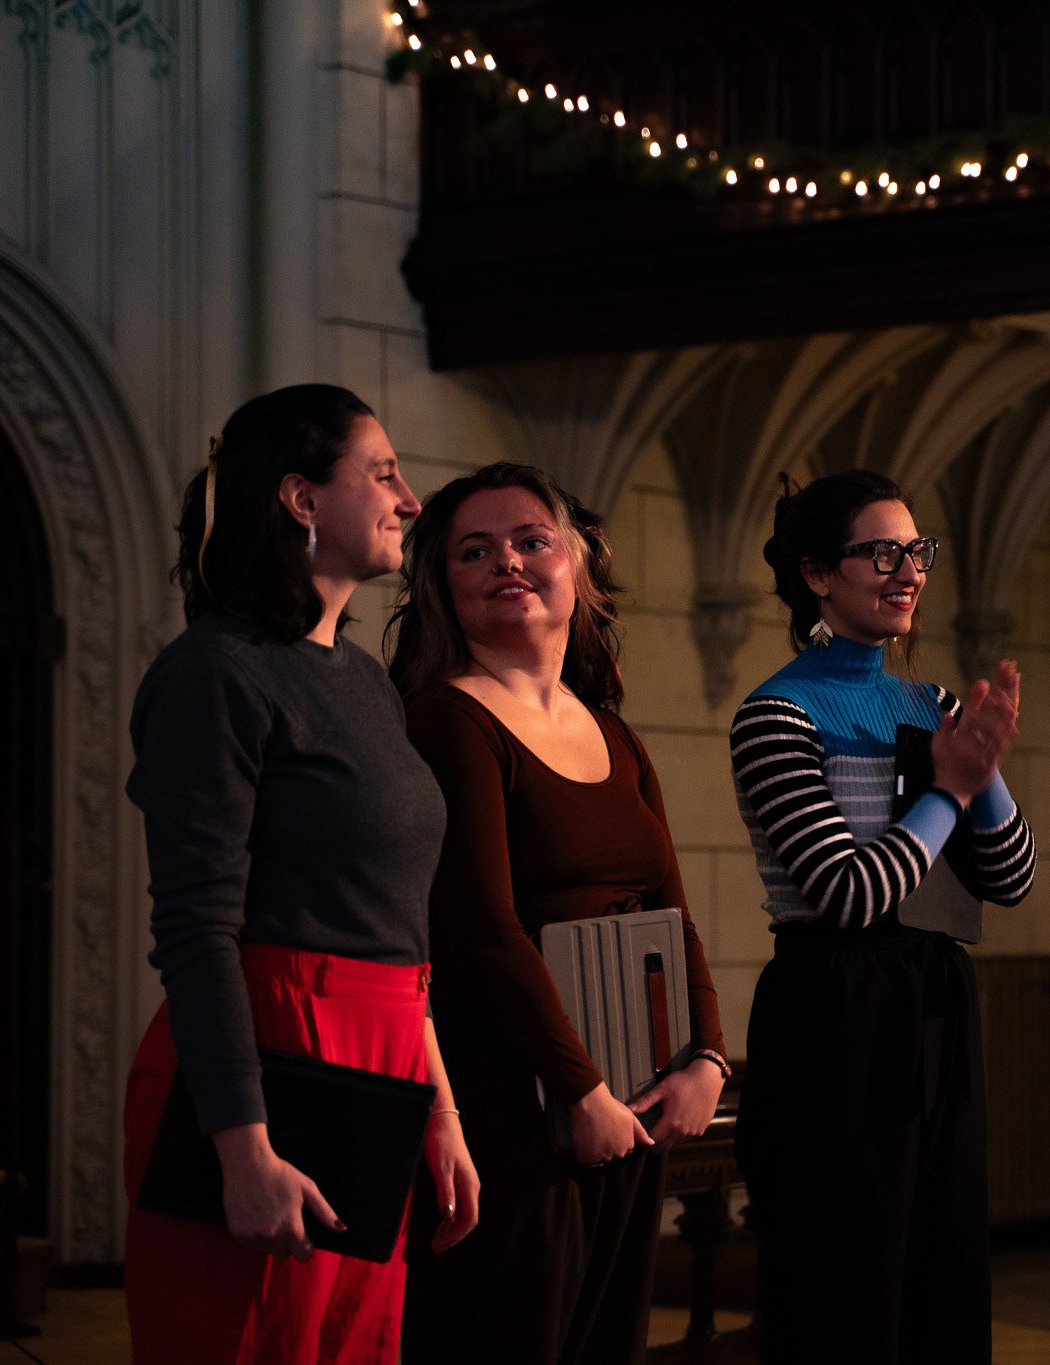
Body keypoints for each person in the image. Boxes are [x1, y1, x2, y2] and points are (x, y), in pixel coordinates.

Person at [121, 384, 479, 1365]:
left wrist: (436, 1110)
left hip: (383, 1057)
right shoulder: (213, 672)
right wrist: (241, 1147)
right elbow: (196, 933)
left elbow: (401, 932)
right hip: (270, 1057)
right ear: (300, 499)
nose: (410, 500)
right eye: (383, 474)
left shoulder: (364, 681)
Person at [389, 462, 727, 1365]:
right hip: (516, 1087)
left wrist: (706, 1055)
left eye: (532, 539)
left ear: (574, 569)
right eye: (475, 549)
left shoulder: (611, 730)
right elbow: (482, 927)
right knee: (515, 1335)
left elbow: (672, 909)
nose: (508, 559)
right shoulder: (449, 720)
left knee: (605, 1340)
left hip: (636, 1087)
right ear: (443, 586)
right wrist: (579, 1087)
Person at [729, 469, 1036, 1365]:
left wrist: (984, 773)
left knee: (940, 1276)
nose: (909, 571)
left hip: (935, 999)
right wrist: (949, 787)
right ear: (820, 573)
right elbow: (851, 893)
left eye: (918, 551)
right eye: (883, 552)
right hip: (836, 1005)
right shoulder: (776, 714)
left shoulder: (929, 704)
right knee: (846, 1285)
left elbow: (1012, 877)